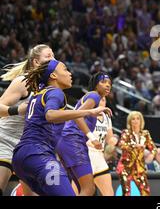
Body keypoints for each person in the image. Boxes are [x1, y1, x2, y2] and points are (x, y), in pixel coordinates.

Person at [11, 60, 109, 196]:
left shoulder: (39, 95)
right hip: (39, 155)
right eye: (65, 70)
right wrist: (89, 112)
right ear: (53, 76)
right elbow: (50, 115)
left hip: (19, 157)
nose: (70, 73)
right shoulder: (55, 92)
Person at [0, 44, 54, 196]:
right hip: (4, 140)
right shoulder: (24, 81)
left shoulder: (48, 88)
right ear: (36, 62)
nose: (53, 59)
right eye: (48, 56)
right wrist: (17, 109)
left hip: (25, 144)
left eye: (54, 55)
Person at [56, 72, 112, 196]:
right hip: (73, 141)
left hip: (65, 142)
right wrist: (92, 138)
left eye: (109, 83)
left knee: (80, 189)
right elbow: (78, 116)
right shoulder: (94, 96)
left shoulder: (90, 97)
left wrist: (93, 112)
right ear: (95, 84)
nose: (107, 85)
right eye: (103, 82)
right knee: (89, 189)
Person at [117, 111, 157, 196]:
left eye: (138, 118)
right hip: (126, 167)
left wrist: (152, 155)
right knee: (126, 192)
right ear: (129, 121)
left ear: (141, 121)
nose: (135, 121)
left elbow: (153, 148)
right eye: (133, 119)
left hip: (139, 168)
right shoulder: (126, 133)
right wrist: (134, 146)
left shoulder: (145, 133)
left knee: (145, 191)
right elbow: (121, 144)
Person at [87, 96, 118, 196]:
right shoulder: (87, 115)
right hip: (86, 154)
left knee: (109, 193)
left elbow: (109, 138)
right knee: (83, 191)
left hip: (99, 156)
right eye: (99, 99)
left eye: (103, 100)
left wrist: (113, 141)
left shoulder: (107, 117)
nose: (101, 102)